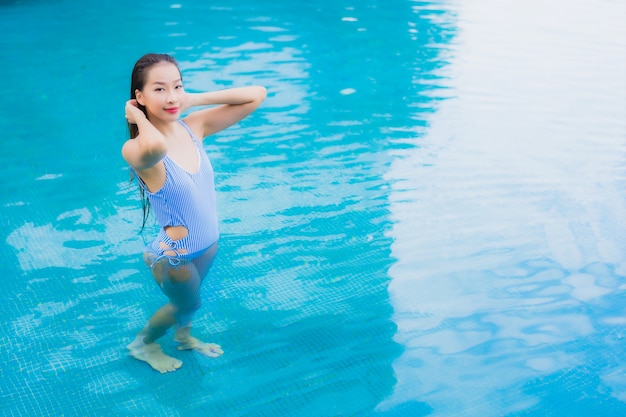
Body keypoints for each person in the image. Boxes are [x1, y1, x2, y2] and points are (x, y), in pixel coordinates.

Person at [123, 53, 266, 373]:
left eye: (177, 86)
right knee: (188, 303)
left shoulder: (193, 127)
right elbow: (157, 148)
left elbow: (257, 95)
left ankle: (184, 338)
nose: (171, 96)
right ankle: (142, 344)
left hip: (206, 245)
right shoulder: (135, 149)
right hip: (175, 256)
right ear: (139, 97)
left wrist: (190, 100)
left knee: (190, 302)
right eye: (159, 89)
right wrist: (141, 120)